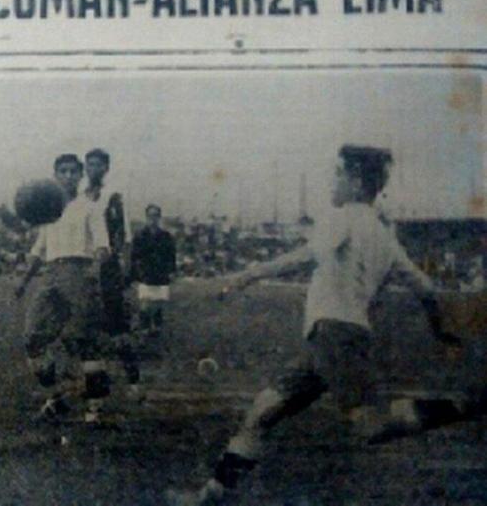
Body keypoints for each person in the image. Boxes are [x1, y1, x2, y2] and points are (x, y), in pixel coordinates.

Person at [169, 145, 462, 505]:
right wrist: (439, 329)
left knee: (372, 427)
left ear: (355, 182)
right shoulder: (385, 237)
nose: (332, 180)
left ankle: (464, 405)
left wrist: (249, 274)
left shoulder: (344, 218)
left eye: (338, 173)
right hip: (326, 341)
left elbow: (308, 255)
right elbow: (427, 290)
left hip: (336, 337)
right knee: (261, 413)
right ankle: (209, 497)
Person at [15, 153, 110, 427]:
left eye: (73, 172)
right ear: (55, 176)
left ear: (80, 176)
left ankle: (94, 406)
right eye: (63, 172)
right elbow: (38, 250)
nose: (68, 176)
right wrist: (22, 282)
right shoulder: (47, 211)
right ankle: (57, 398)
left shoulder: (90, 208)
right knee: (33, 337)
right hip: (51, 275)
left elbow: (103, 248)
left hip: (79, 272)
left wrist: (93, 274)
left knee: (84, 341)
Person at [83, 148, 140, 409]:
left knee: (117, 327)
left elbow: (124, 236)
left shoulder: (112, 196)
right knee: (89, 327)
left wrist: (123, 267)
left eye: (97, 164)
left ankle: (133, 380)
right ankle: (97, 391)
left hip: (108, 268)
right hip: (84, 267)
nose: (92, 169)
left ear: (106, 168)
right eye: (89, 164)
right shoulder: (79, 198)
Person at [130, 204, 177, 337]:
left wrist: (171, 271)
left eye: (156, 215)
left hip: (161, 273)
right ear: (146, 217)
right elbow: (134, 257)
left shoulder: (166, 236)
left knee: (158, 302)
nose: (153, 218)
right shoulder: (140, 236)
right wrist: (134, 275)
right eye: (150, 215)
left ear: (159, 217)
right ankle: (144, 327)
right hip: (145, 274)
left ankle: (156, 327)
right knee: (145, 303)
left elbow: (171, 255)